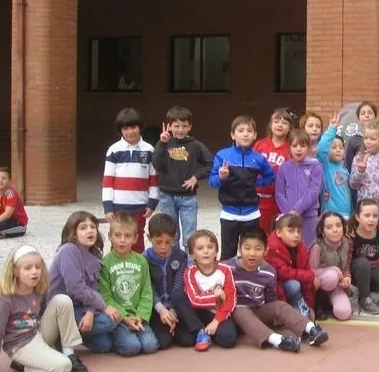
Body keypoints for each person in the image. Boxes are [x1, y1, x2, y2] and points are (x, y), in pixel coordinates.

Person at [0, 245, 87, 372]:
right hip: (20, 346)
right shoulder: (6, 298)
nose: (34, 271)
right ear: (15, 271)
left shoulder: (39, 290)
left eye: (38, 267)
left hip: (37, 334)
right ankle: (22, 366)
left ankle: (69, 352)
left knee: (62, 300)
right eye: (27, 268)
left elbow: (44, 315)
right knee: (64, 367)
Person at [231, 227, 328, 352]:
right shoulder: (228, 268)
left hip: (258, 311)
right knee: (239, 310)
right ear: (239, 249)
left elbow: (271, 299)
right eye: (247, 248)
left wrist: (277, 316)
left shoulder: (269, 272)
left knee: (279, 305)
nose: (252, 253)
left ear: (266, 250)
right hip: (237, 315)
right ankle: (279, 341)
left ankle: (311, 329)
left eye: (258, 249)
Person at [47, 211, 119, 353]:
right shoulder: (68, 251)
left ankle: (73, 335)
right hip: (60, 311)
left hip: (78, 306)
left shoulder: (92, 253)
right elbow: (76, 288)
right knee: (108, 321)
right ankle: (59, 336)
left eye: (93, 227)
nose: (90, 231)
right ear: (73, 234)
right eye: (83, 228)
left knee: (105, 345)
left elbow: (92, 287)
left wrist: (90, 312)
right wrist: (104, 307)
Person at [209, 115, 276, 261]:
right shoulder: (222, 155)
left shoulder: (259, 159)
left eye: (249, 131)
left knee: (250, 252)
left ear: (255, 135)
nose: (245, 134)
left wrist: (255, 183)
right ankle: (228, 275)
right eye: (241, 130)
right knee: (228, 253)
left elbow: (270, 177)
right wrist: (222, 177)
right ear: (233, 135)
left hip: (251, 214)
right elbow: (212, 182)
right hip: (229, 213)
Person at [152, 106, 213, 251]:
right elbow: (157, 165)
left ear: (190, 126)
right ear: (169, 126)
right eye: (176, 126)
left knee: (189, 237)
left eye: (184, 126)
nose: (180, 130)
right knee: (170, 236)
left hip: (188, 197)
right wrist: (162, 144)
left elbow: (211, 164)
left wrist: (196, 177)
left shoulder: (195, 145)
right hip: (167, 196)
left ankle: (189, 263)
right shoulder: (164, 144)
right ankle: (173, 263)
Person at [100, 212, 158, 357]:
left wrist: (140, 316)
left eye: (127, 236)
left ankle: (134, 330)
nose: (122, 240)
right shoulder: (105, 263)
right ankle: (113, 338)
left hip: (139, 316)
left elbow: (146, 291)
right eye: (117, 235)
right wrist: (124, 317)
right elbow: (106, 297)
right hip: (119, 319)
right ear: (110, 236)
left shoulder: (141, 261)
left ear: (135, 238)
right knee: (132, 347)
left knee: (150, 346)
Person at [102, 107, 158, 253]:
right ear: (120, 130)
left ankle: (138, 265)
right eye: (125, 129)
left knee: (137, 239)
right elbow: (107, 181)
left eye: (133, 127)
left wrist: (152, 203)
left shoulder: (149, 150)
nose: (130, 132)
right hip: (118, 206)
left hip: (140, 206)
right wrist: (108, 207)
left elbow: (153, 179)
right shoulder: (114, 150)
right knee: (118, 239)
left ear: (140, 127)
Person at [173, 229, 238, 351]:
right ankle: (200, 331)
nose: (206, 251)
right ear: (192, 254)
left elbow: (231, 300)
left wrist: (216, 321)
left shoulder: (225, 270)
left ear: (216, 251)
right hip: (196, 314)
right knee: (186, 340)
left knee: (228, 339)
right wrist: (218, 297)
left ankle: (208, 332)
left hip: (217, 313)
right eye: (200, 248)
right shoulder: (190, 272)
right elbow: (195, 300)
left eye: (210, 247)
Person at [143, 213, 193, 349]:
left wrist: (173, 311)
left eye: (168, 242)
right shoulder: (144, 259)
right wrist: (161, 310)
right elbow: (148, 289)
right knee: (163, 342)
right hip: (156, 308)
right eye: (158, 242)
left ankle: (174, 327)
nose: (163, 247)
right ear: (149, 237)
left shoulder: (181, 256)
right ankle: (166, 330)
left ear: (174, 238)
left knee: (188, 340)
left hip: (177, 307)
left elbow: (179, 286)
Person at [349, 199, 379, 314]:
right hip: (358, 271)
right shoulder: (351, 234)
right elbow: (347, 259)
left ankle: (366, 289)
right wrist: (346, 276)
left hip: (375, 269)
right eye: (367, 215)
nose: (371, 219)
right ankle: (364, 298)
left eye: (375, 216)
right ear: (357, 217)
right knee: (363, 263)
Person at [275, 130, 323, 246]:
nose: (298, 149)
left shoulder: (315, 166)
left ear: (308, 147)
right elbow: (279, 193)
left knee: (308, 247)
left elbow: (313, 191)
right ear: (289, 147)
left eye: (302, 146)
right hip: (288, 217)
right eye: (294, 145)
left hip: (309, 217)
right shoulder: (284, 167)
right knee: (290, 247)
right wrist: (289, 212)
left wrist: (297, 210)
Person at [266, 213, 318, 318]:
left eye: (299, 231)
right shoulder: (271, 248)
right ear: (279, 233)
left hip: (294, 290)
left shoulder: (301, 247)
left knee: (306, 318)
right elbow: (284, 273)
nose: (296, 235)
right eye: (291, 231)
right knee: (294, 285)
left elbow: (307, 274)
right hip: (275, 292)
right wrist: (310, 276)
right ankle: (287, 310)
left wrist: (310, 305)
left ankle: (302, 310)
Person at [308, 212, 353, 321]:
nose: (335, 230)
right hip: (319, 285)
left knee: (344, 313)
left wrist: (346, 276)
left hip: (337, 285)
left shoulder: (347, 243)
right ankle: (319, 303)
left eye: (338, 225)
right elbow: (311, 270)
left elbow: (347, 263)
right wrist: (332, 269)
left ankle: (330, 302)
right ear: (322, 231)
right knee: (331, 276)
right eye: (329, 227)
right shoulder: (317, 246)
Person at [254, 109, 293, 232]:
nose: (280, 125)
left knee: (276, 234)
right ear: (270, 125)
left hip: (279, 200)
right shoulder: (260, 145)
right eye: (276, 121)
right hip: (258, 199)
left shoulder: (291, 148)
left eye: (284, 122)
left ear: (290, 128)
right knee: (258, 234)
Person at [316, 113, 352, 220]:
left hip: (347, 212)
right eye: (334, 147)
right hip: (330, 212)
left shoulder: (345, 168)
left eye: (341, 147)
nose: (338, 150)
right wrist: (332, 129)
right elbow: (321, 149)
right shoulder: (326, 165)